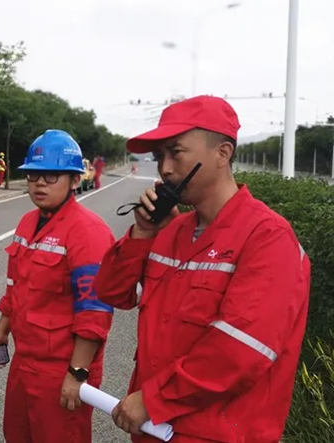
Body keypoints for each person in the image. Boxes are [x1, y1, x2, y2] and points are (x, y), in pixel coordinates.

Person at [93, 95, 311, 443]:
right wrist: (143, 233)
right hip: (153, 430)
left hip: (216, 434)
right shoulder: (171, 231)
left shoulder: (268, 238)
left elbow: (241, 349)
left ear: (222, 154)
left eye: (175, 153)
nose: (165, 168)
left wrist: (154, 399)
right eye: (159, 156)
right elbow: (112, 292)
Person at [0, 129, 115, 443]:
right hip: (24, 362)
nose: (40, 183)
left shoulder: (88, 231)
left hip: (63, 369)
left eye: (52, 175)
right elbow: (15, 287)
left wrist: (77, 373)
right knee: (17, 435)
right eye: (33, 175)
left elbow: (94, 312)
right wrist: (2, 331)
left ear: (75, 180)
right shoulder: (28, 222)